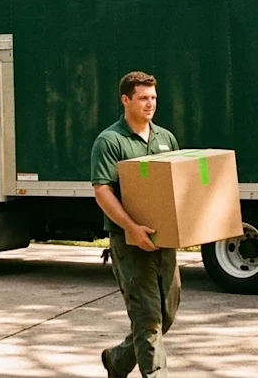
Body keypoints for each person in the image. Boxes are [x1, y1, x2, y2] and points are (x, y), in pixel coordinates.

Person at [90, 71, 181, 378]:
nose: (150, 104)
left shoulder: (165, 138)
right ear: (125, 99)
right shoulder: (110, 141)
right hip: (129, 243)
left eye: (153, 98)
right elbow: (102, 191)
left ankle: (117, 359)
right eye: (143, 98)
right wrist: (131, 227)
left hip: (164, 241)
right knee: (148, 321)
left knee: (165, 316)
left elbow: (177, 187)